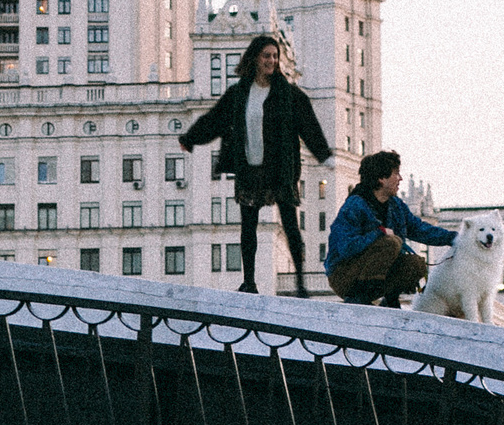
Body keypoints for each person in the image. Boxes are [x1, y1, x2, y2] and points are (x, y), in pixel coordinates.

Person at [180, 34, 332, 295]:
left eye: (275, 56)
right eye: (266, 56)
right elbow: (215, 118)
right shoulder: (240, 93)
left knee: (290, 225)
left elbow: (308, 124)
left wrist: (324, 154)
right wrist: (190, 138)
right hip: (250, 168)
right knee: (248, 226)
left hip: (280, 169)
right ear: (254, 59)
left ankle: (300, 283)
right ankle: (249, 281)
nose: (271, 60)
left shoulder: (288, 94)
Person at [325, 151, 457, 306]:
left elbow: (420, 229)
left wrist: (454, 238)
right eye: (396, 173)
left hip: (369, 274)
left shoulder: (396, 206)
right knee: (391, 242)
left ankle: (389, 301)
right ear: (381, 178)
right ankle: (359, 299)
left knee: (415, 264)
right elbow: (345, 247)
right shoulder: (355, 206)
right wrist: (379, 234)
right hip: (344, 275)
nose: (400, 179)